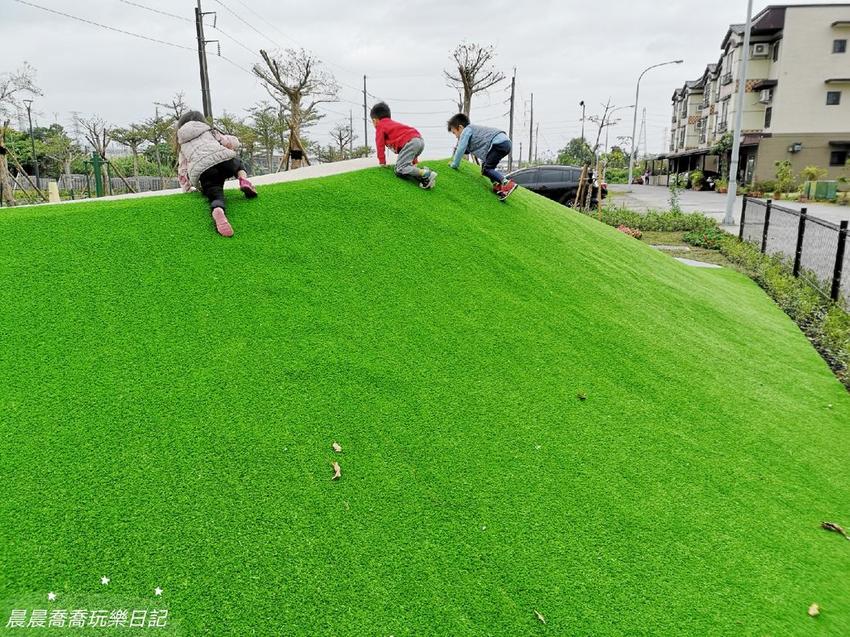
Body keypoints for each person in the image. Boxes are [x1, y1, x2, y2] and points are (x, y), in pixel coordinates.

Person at [176, 110, 257, 238]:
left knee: (215, 193)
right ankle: (243, 180)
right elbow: (230, 142)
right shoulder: (210, 131)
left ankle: (217, 208)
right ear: (201, 121)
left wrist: (186, 188)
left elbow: (182, 169)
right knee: (238, 164)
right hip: (224, 160)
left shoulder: (183, 145)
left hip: (204, 171)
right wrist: (234, 142)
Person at [447, 113, 517, 201]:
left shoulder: (467, 130)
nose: (456, 136)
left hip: (498, 143)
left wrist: (454, 164)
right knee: (486, 168)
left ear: (460, 128)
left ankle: (507, 184)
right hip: (504, 143)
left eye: (455, 133)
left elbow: (461, 148)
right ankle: (498, 186)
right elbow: (467, 150)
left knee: (487, 169)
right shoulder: (474, 132)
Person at [370, 102, 437, 189]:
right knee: (407, 168)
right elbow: (410, 143)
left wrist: (382, 162)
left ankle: (426, 172)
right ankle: (425, 179)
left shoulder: (380, 126)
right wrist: (414, 162)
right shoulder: (391, 124)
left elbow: (380, 144)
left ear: (375, 120)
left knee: (399, 169)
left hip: (411, 142)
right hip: (419, 140)